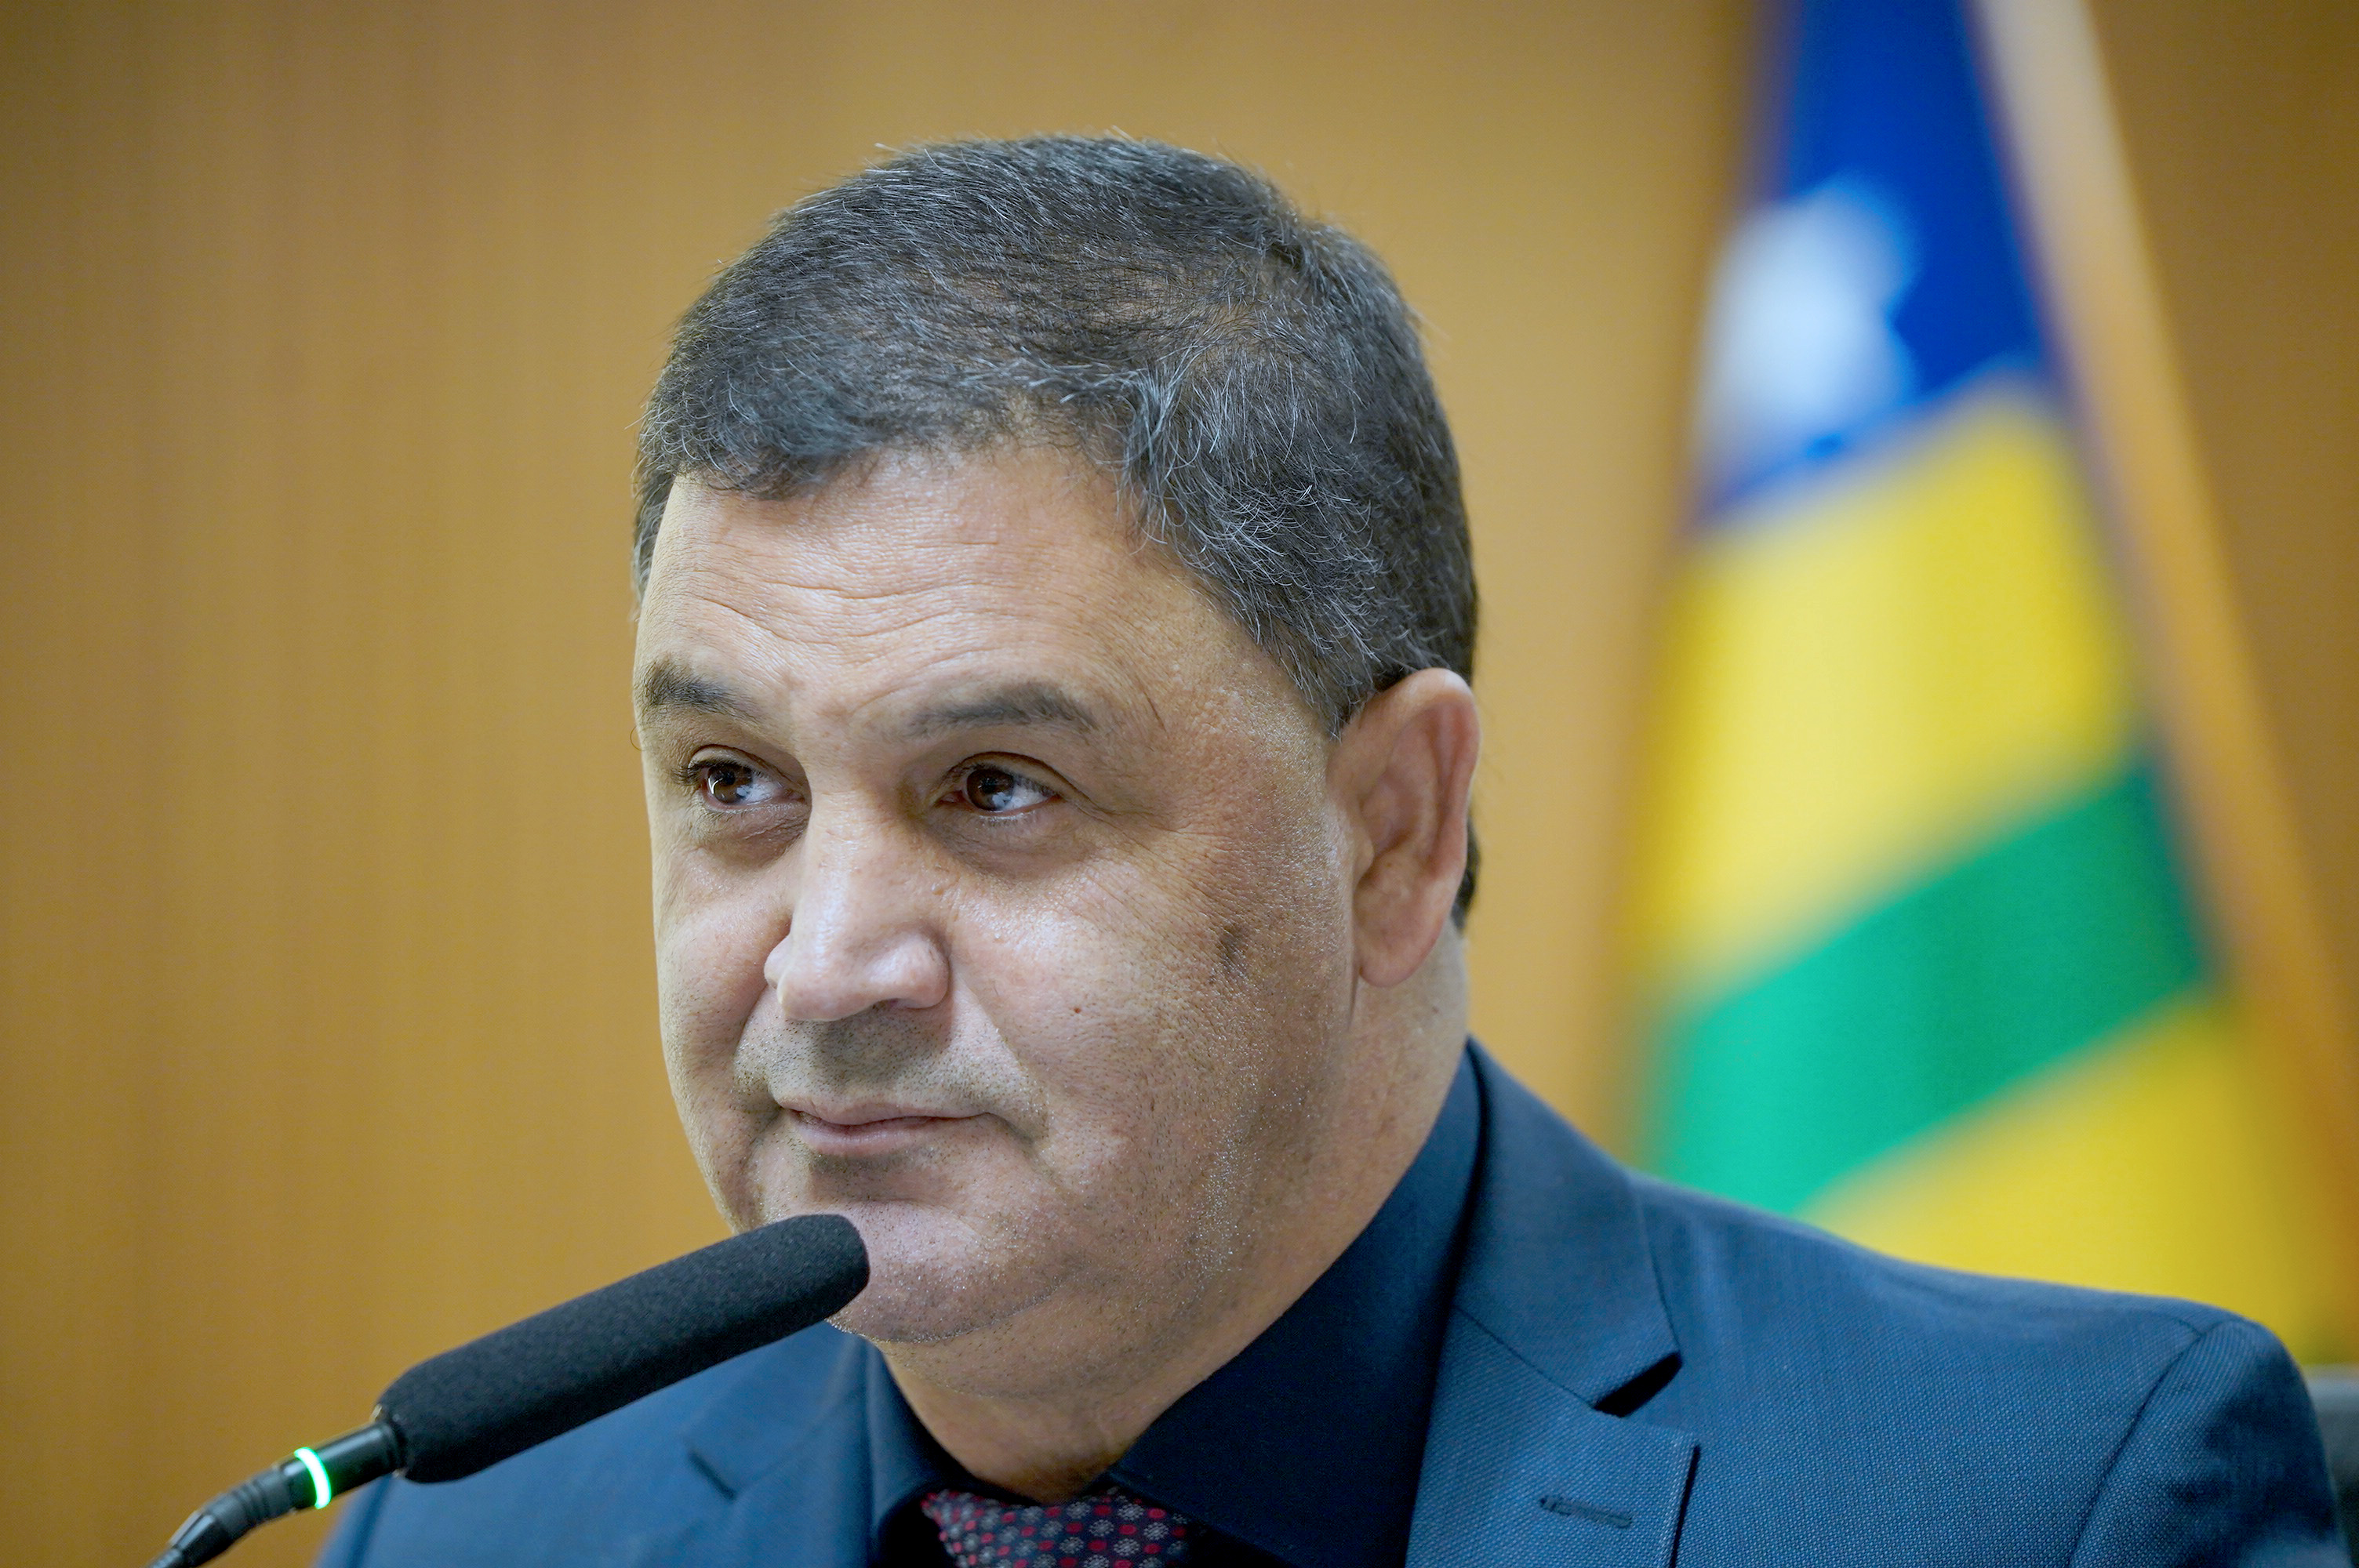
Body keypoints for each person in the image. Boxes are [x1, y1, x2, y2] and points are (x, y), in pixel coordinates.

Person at [320, 136, 2342, 1568]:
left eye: (998, 786)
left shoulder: (2052, 1507)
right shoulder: (467, 1532)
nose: (826, 965)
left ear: (1393, 829)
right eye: (735, 784)